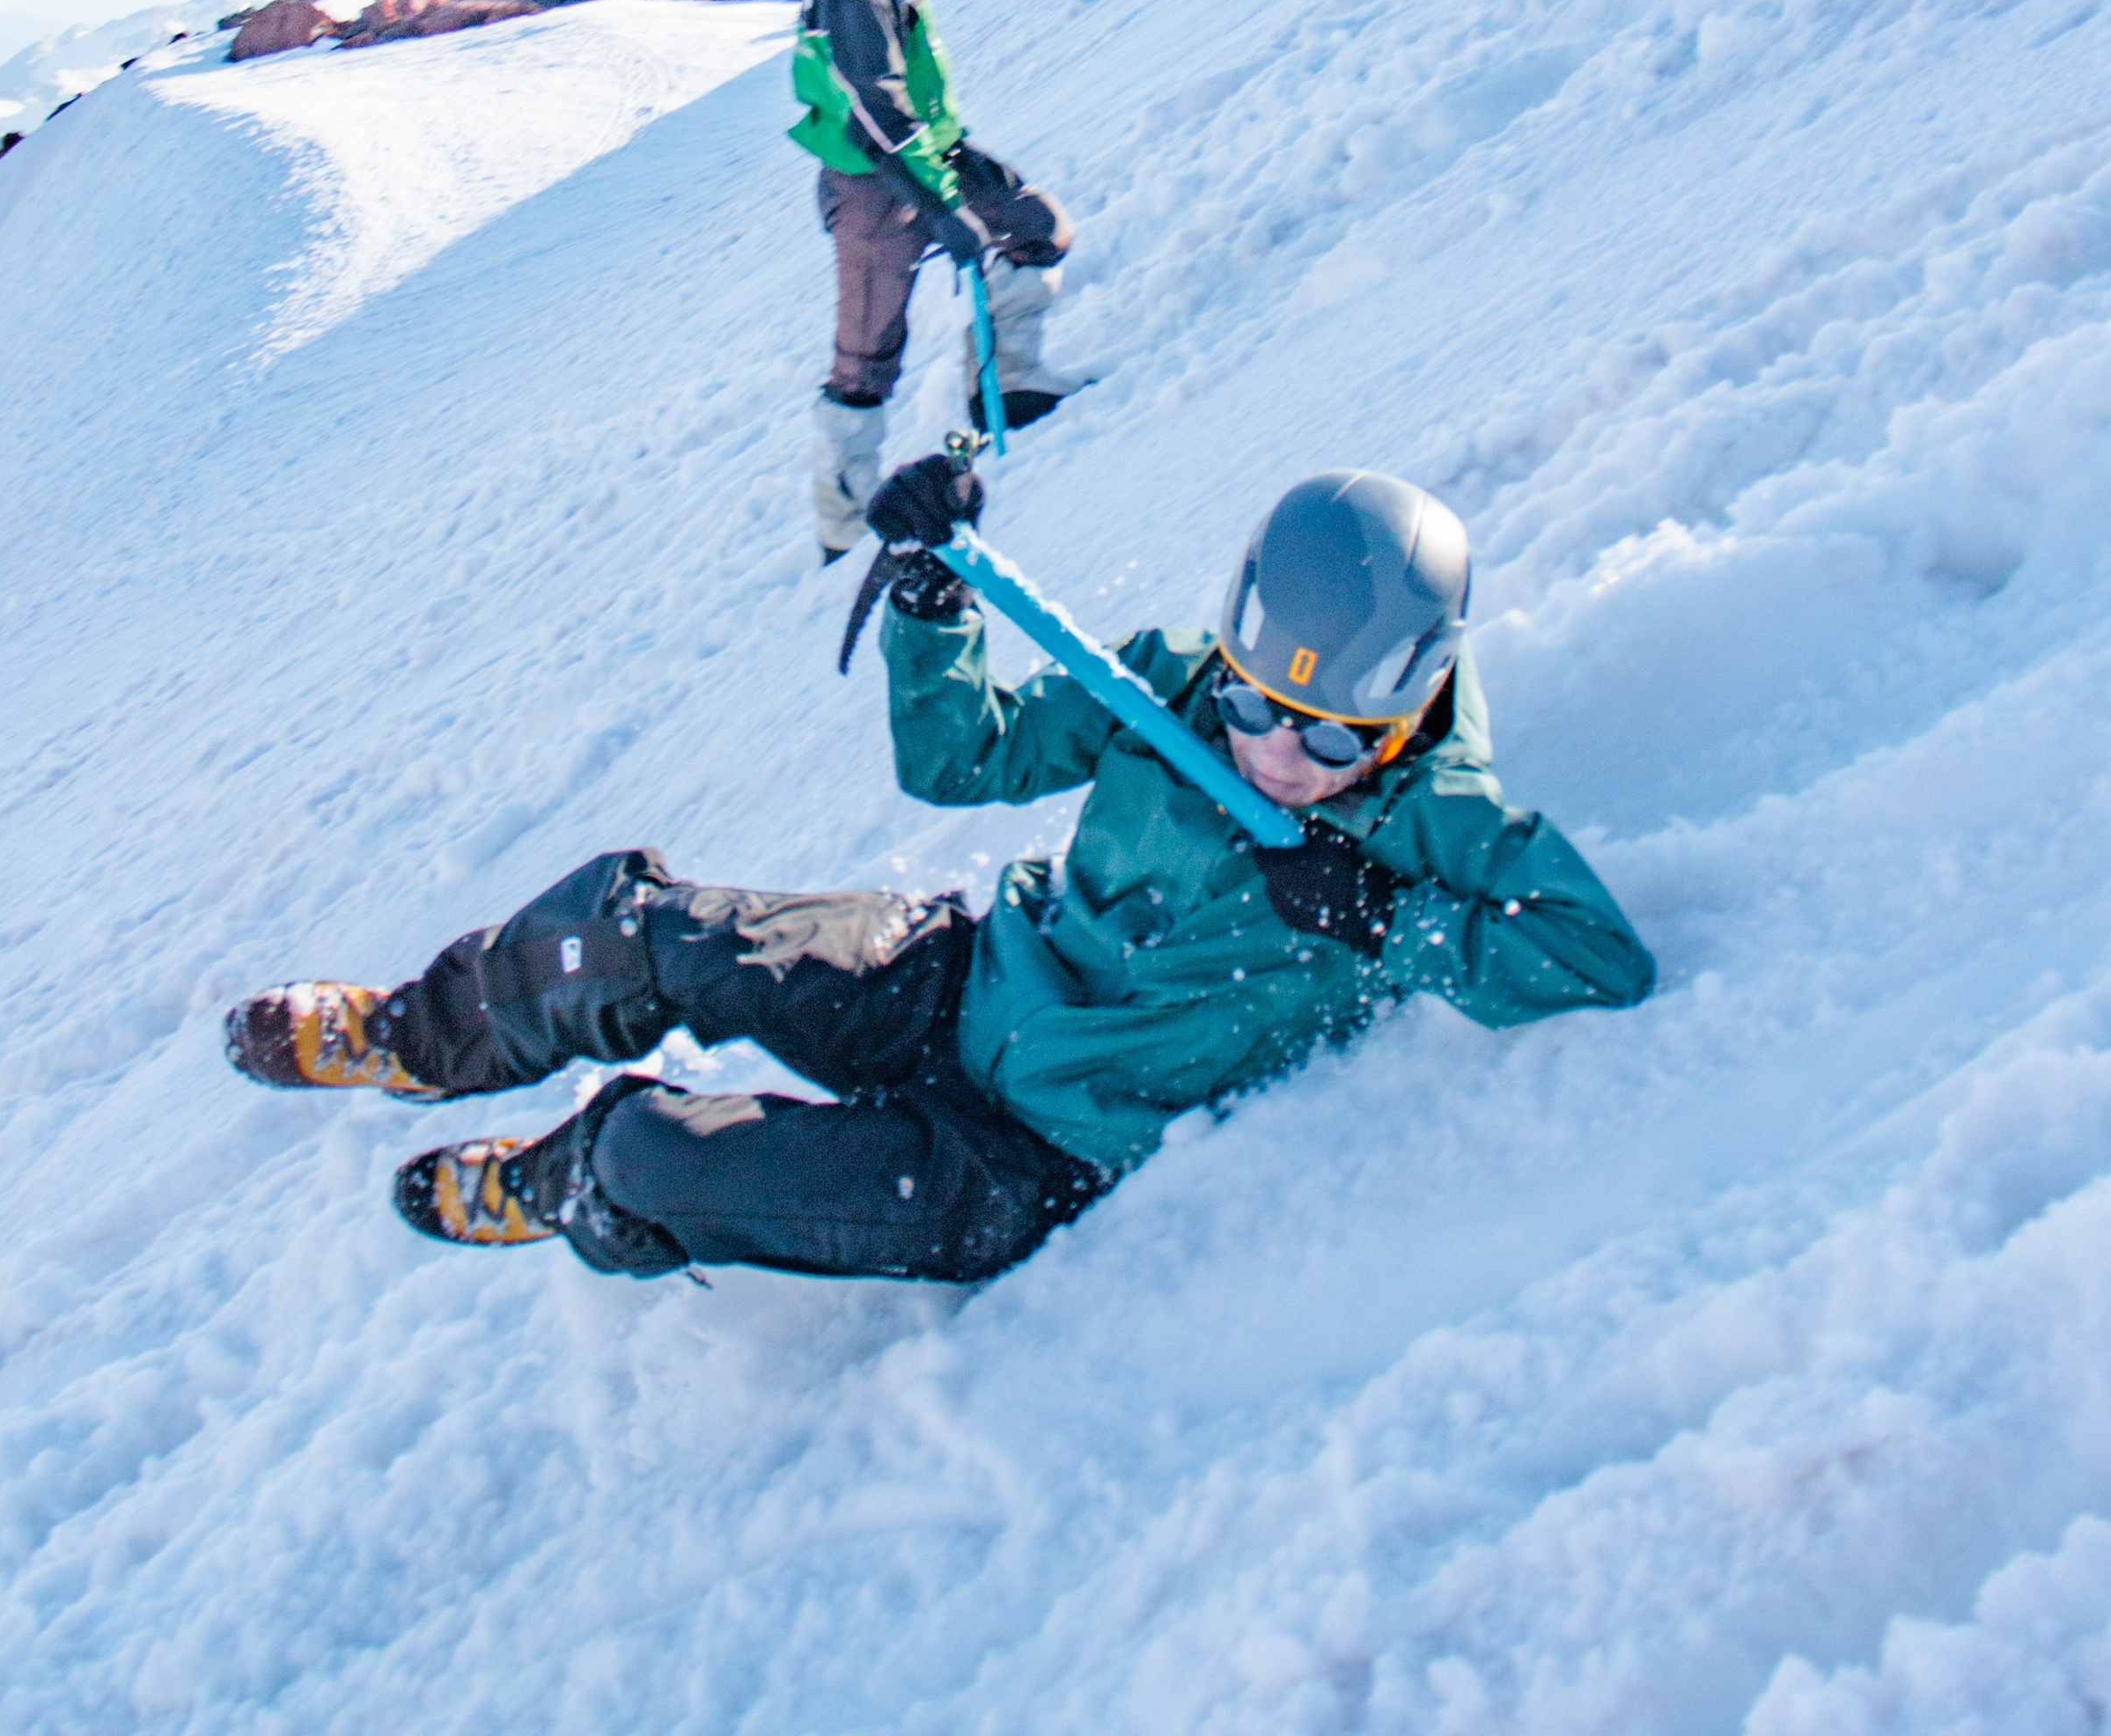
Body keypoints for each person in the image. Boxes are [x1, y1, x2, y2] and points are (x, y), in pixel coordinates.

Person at [224, 458, 1654, 1284]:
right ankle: (422, 1036)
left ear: (1408, 699)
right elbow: (960, 758)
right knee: (645, 932)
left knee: (657, 1152)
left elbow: (1597, 957)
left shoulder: (1433, 820)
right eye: (1252, 702)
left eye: (1326, 733)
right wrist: (933, 605)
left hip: (1027, 1157)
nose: (1273, 750)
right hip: (963, 977)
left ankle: (565, 1182)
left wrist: (1388, 916)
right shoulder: (1170, 694)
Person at [788, 0, 1089, 559]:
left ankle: (1012, 389)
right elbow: (876, 106)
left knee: (1035, 227)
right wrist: (943, 205)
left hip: (928, 156)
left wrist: (960, 172)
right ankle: (845, 524)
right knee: (865, 359)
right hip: (872, 186)